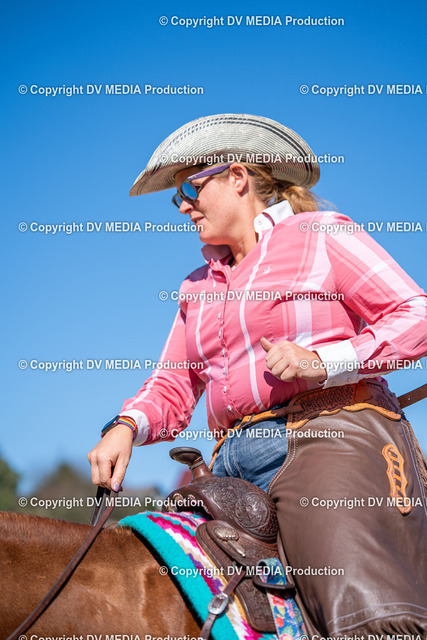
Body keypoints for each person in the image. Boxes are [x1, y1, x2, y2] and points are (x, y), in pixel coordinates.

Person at [88, 114, 427, 638]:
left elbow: (415, 315)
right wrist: (125, 425)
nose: (182, 206)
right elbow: (174, 384)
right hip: (226, 468)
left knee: (363, 618)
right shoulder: (196, 287)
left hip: (326, 438)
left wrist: (326, 361)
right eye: (176, 196)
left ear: (238, 178)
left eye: (189, 188)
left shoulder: (321, 234)